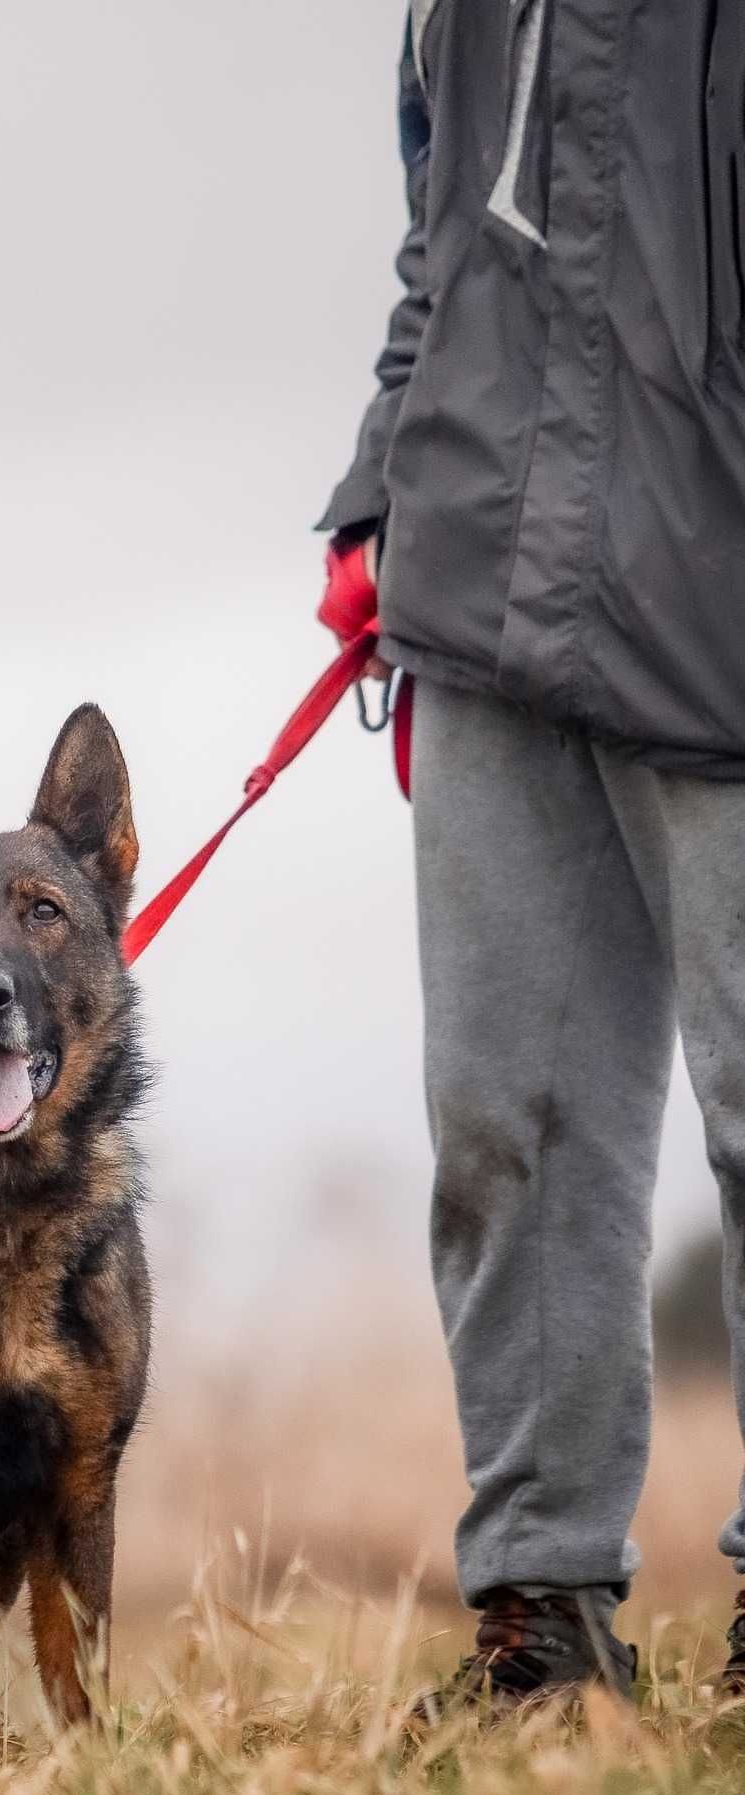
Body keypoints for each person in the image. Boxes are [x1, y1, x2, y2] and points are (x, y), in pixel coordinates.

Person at [321, 2, 745, 1706]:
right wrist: (382, 497)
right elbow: (440, 258)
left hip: (719, 594)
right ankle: (541, 1625)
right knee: (507, 1125)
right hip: (485, 574)